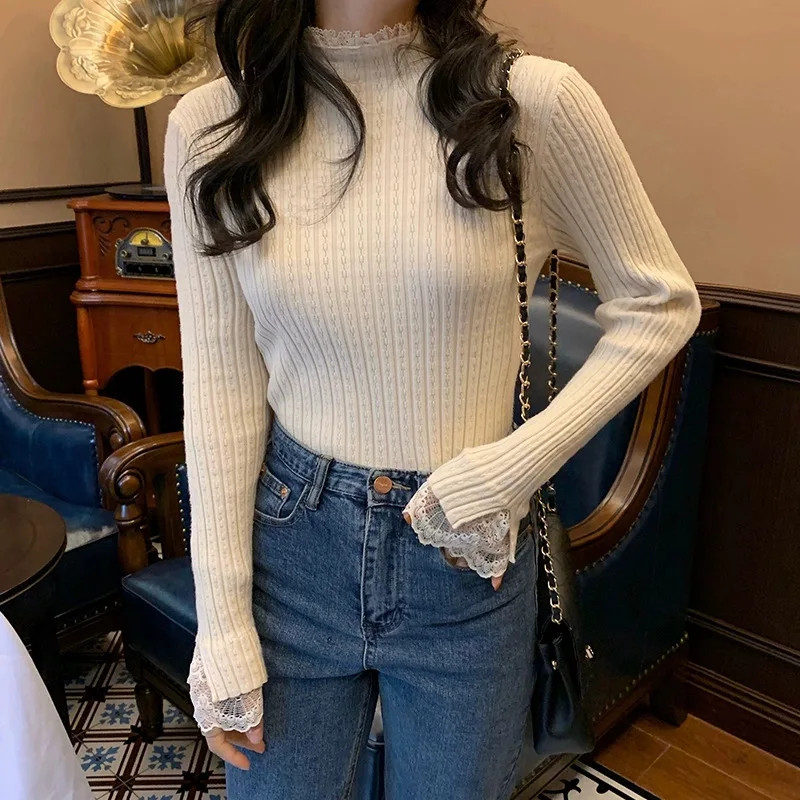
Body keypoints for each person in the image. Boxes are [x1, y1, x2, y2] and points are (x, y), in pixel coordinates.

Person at [164, 0, 702, 797]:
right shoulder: (213, 125)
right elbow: (220, 385)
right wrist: (222, 624)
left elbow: (661, 301)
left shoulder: (529, 102)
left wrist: (509, 470)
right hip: (291, 550)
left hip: (466, 561)